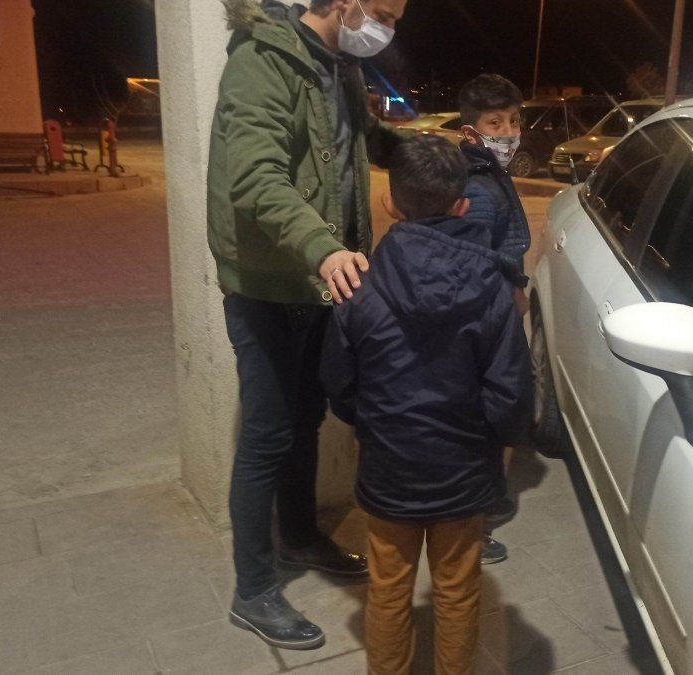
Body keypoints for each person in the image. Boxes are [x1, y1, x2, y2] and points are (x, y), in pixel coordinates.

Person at [208, 0, 407, 650]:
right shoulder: (261, 61)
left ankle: (297, 535)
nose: (388, 29)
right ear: (345, 3)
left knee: (305, 418)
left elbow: (361, 140)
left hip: (322, 279)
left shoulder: (341, 64)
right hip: (269, 281)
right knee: (266, 435)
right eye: (384, 13)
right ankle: (252, 588)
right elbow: (254, 178)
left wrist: (427, 153)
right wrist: (323, 248)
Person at [320, 136, 533, 675]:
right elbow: (511, 393)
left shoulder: (360, 286)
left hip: (389, 467)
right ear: (461, 205)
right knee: (458, 590)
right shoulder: (493, 285)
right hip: (463, 471)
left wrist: (376, 424)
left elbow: (340, 385)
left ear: (391, 203)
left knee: (388, 588)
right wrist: (490, 443)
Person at [456, 73, 533, 565]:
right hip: (488, 315)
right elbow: (479, 258)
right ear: (471, 130)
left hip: (496, 309)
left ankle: (486, 500)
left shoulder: (488, 171)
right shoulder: (478, 185)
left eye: (514, 120)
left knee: (492, 409)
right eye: (495, 123)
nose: (508, 132)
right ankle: (472, 526)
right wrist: (513, 290)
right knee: (487, 413)